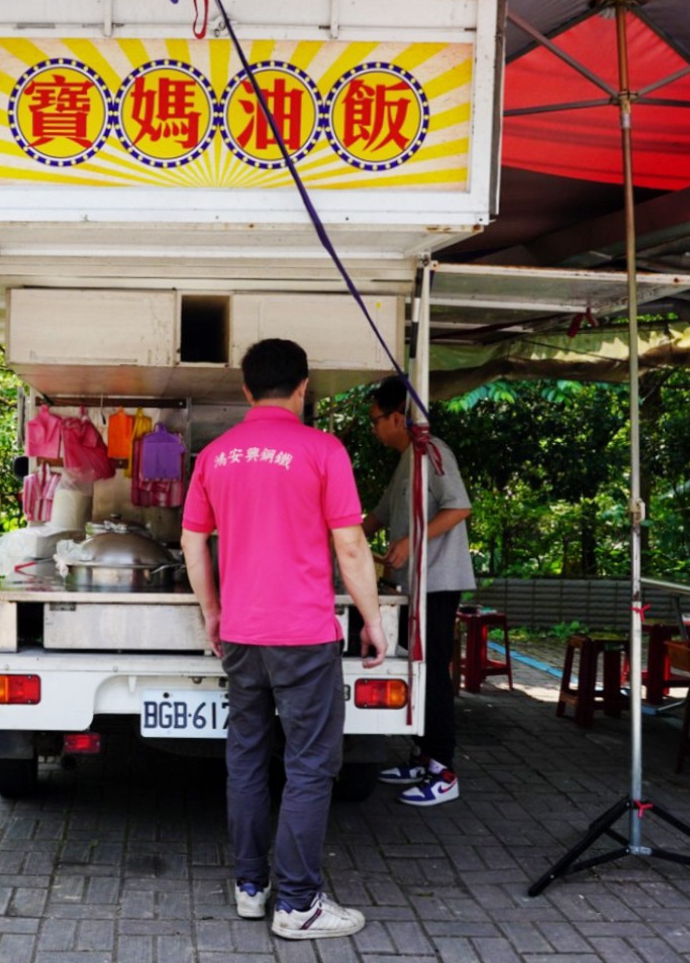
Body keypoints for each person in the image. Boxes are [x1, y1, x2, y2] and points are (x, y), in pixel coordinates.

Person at [181, 338, 386, 941]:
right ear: (303, 389)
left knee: (245, 757)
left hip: (242, 635)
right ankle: (297, 904)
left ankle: (252, 888)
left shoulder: (215, 455)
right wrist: (371, 621)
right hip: (303, 635)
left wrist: (213, 612)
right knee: (310, 764)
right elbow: (350, 546)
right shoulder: (323, 450)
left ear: (247, 391)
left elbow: (195, 543)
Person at [361, 375, 474, 807]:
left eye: (375, 420)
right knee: (415, 671)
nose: (373, 428)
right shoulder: (405, 458)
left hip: (438, 583)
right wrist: (340, 536)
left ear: (397, 416)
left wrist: (412, 542)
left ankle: (444, 770)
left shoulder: (432, 451)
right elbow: (379, 515)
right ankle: (423, 755)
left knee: (432, 674)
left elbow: (460, 506)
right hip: (412, 587)